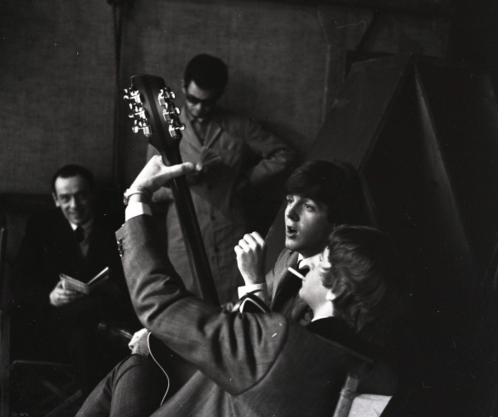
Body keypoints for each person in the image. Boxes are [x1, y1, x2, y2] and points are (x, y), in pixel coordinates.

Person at [77, 156, 402, 417]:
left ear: (338, 287)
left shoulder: (284, 348)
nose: (312, 263)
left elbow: (158, 300)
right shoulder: (376, 372)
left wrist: (138, 196)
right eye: (290, 200)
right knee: (135, 366)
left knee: (132, 368)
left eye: (322, 261)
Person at [148, 53, 294, 304]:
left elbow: (284, 154)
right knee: (188, 306)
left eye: (208, 102)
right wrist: (182, 182)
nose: (199, 108)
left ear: (220, 94)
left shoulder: (238, 126)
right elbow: (151, 189)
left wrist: (247, 180)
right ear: (183, 86)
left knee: (235, 306)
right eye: (193, 99)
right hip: (184, 237)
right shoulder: (164, 129)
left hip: (230, 234)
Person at [9, 164, 136, 397]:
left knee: (84, 339)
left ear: (92, 194)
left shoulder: (115, 224)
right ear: (55, 200)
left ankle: (92, 411)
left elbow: (135, 276)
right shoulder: (41, 228)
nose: (74, 206)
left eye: (81, 196)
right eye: (65, 198)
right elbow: (19, 281)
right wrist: (50, 296)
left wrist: (115, 288)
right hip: (55, 326)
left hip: (93, 331)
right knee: (88, 329)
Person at [236, 159, 367, 324]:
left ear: (336, 224)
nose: (290, 212)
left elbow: (277, 345)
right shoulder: (290, 255)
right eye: (290, 200)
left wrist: (253, 281)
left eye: (308, 206)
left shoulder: (332, 286)